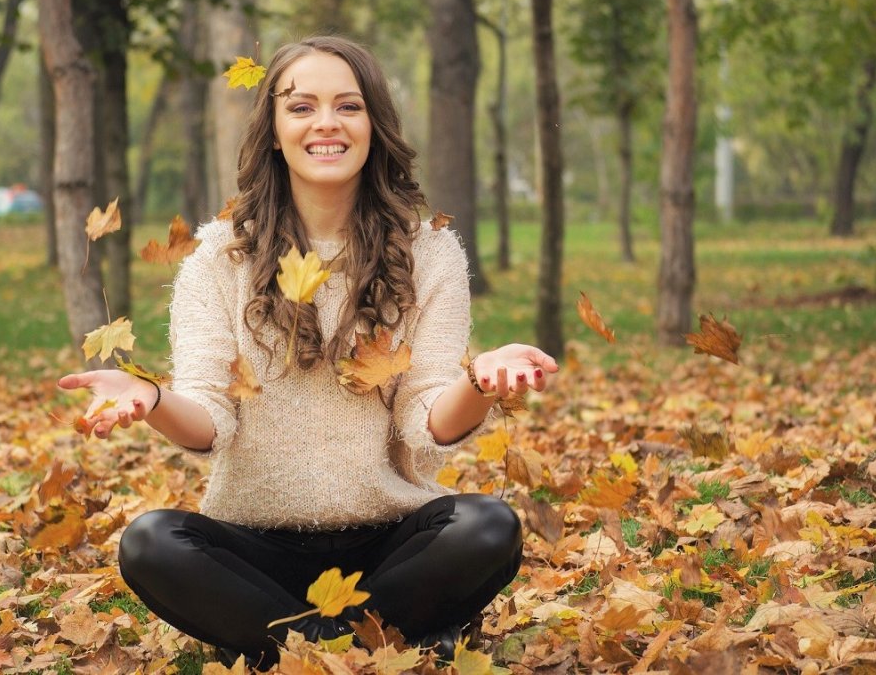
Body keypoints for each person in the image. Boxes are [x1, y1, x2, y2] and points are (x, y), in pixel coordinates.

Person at [58, 35, 558, 668]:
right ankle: (374, 645)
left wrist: (480, 383)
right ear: (272, 129)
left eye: (348, 106)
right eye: (301, 107)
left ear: (374, 124)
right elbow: (210, 420)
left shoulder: (428, 254)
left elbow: (428, 420)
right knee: (152, 542)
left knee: (488, 527)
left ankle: (295, 652)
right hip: (256, 555)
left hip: (390, 545)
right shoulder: (218, 258)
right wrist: (153, 398)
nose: (326, 123)